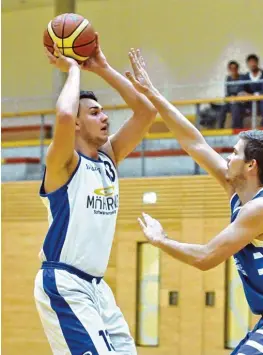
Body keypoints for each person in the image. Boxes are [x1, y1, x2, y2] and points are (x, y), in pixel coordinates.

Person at [125, 49, 263, 354]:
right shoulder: (240, 190)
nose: (227, 157)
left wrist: (161, 240)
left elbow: (206, 257)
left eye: (235, 153)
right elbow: (194, 142)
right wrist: (152, 93)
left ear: (251, 166)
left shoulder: (260, 209)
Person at [34, 38, 156, 355]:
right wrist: (72, 69)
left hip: (96, 287)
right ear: (75, 122)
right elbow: (62, 115)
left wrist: (102, 68)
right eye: (94, 112)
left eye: (103, 112)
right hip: (65, 283)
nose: (104, 117)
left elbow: (146, 112)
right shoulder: (63, 163)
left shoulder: (108, 158)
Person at [218, 60, 246, 129]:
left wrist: (235, 97)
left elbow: (241, 91)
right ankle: (220, 128)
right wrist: (230, 98)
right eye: (231, 68)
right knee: (222, 108)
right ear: (229, 69)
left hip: (240, 102)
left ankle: (236, 128)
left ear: (237, 69)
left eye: (235, 68)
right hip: (231, 101)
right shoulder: (228, 78)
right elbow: (227, 92)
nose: (233, 70)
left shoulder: (242, 77)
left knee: (235, 107)